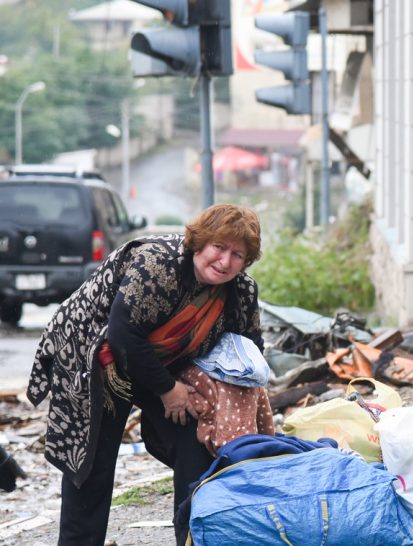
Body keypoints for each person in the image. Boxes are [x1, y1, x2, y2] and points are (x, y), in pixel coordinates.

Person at [27, 204, 272, 545]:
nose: (225, 261)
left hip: (168, 364)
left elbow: (249, 352)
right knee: (93, 467)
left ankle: (194, 537)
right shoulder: (158, 265)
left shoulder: (240, 291)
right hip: (97, 357)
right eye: (219, 247)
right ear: (200, 243)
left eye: (238, 254)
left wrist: (229, 409)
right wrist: (168, 391)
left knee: (196, 444)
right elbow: (124, 336)